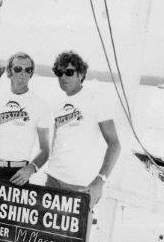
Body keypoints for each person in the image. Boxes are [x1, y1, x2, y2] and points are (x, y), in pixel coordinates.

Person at [45, 51, 121, 206]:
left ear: (80, 74)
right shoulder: (56, 103)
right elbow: (56, 141)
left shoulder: (96, 100)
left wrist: (100, 181)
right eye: (59, 73)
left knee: (76, 231)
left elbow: (114, 144)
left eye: (69, 72)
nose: (63, 77)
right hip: (52, 181)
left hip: (81, 186)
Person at [0, 52, 50, 187]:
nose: (23, 73)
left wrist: (31, 169)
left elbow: (45, 150)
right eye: (18, 69)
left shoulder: (41, 106)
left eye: (28, 70)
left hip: (19, 172)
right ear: (9, 72)